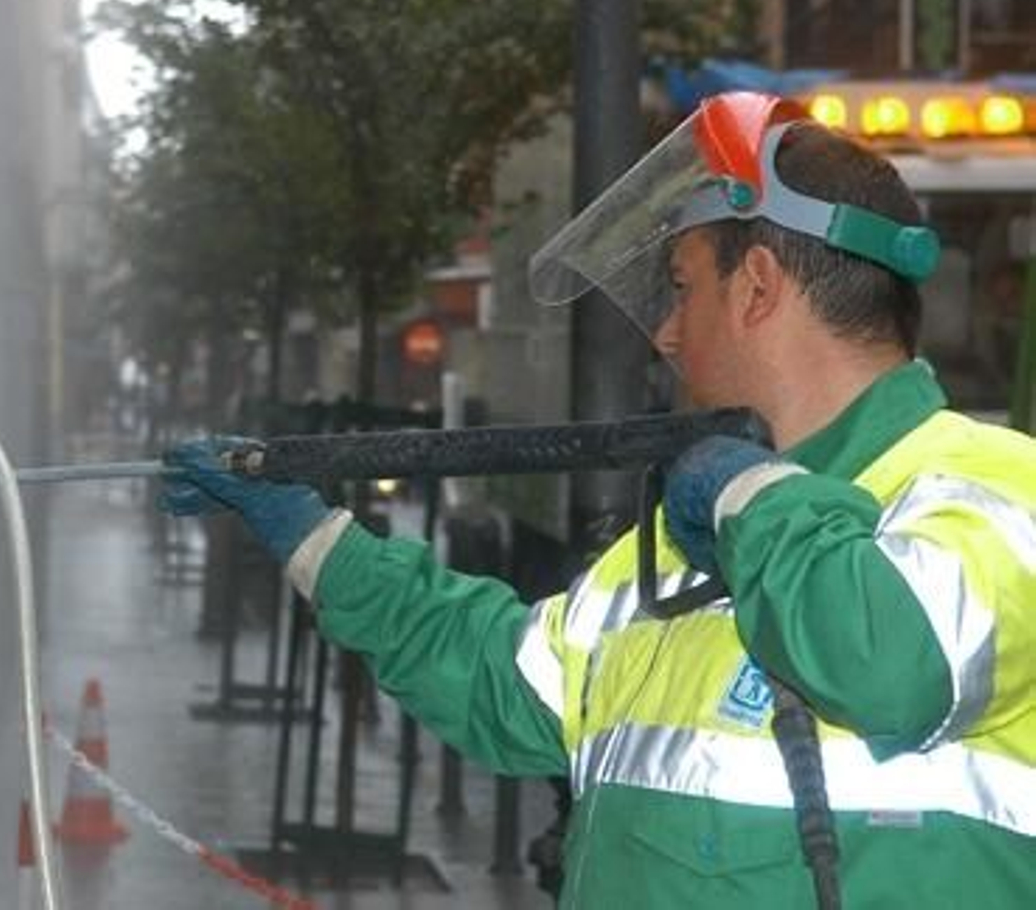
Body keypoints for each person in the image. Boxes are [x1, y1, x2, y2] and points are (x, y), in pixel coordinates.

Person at [159, 92, 1036, 907]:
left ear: (760, 285)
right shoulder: (690, 536)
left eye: (683, 289)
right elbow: (509, 687)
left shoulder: (992, 485)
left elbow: (890, 663)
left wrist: (747, 491)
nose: (663, 332)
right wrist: (313, 537)